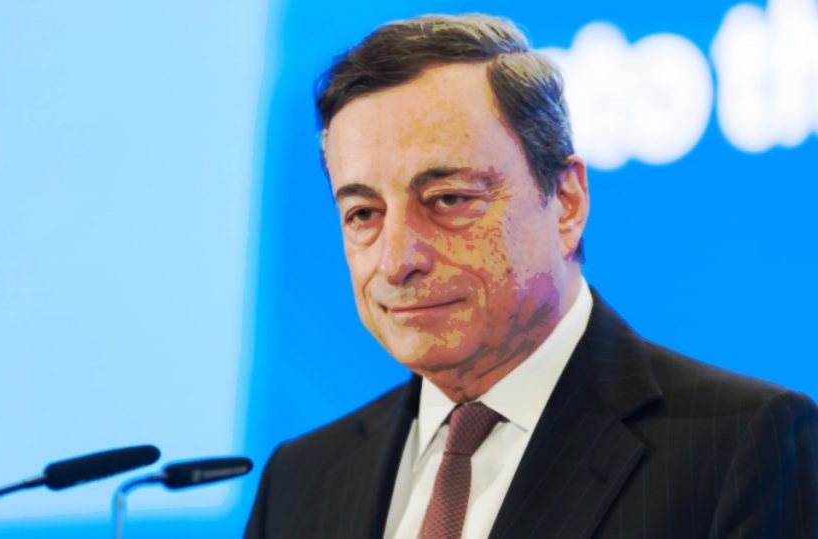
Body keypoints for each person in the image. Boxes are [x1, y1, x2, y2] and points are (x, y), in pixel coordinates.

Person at [245, 13, 818, 539]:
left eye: (447, 199)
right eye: (363, 214)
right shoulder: (300, 480)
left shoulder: (744, 444)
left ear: (566, 202)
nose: (398, 260)